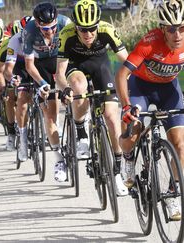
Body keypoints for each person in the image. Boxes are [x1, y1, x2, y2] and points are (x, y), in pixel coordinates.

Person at [115, 0, 184, 219]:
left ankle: (173, 193)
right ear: (163, 28)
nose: (178, 34)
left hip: (169, 90)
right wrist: (126, 106)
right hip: (140, 88)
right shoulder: (149, 43)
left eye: (183, 27)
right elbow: (121, 75)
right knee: (133, 131)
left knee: (180, 144)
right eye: (172, 29)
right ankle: (127, 159)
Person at [56, 0, 129, 195]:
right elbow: (60, 73)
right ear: (75, 27)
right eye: (82, 29)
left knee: (113, 119)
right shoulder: (66, 35)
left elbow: (128, 62)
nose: (88, 34)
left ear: (98, 24)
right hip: (75, 66)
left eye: (91, 29)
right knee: (79, 88)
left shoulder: (107, 29)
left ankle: (118, 171)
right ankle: (81, 134)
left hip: (100, 65)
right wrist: (64, 89)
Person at [23, 2, 71, 182]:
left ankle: (82, 125)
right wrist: (42, 83)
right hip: (41, 65)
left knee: (77, 89)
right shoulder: (29, 30)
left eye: (52, 27)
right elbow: (29, 65)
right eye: (45, 29)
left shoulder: (65, 23)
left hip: (62, 60)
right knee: (50, 115)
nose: (50, 32)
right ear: (37, 24)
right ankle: (59, 161)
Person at [0, 16, 33, 153]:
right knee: (10, 97)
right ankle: (11, 132)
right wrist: (3, 87)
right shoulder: (7, 46)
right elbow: (1, 72)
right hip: (15, 68)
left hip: (33, 65)